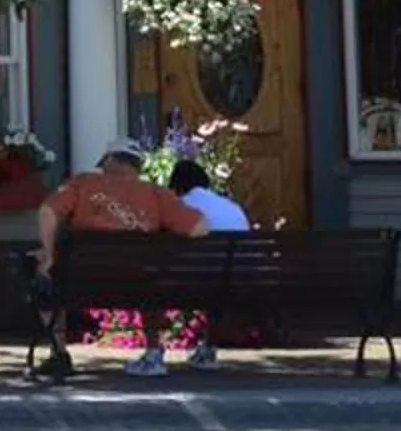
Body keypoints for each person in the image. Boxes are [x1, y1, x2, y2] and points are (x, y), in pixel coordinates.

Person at [28, 140, 206, 380]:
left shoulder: (82, 183)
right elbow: (200, 228)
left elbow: (47, 211)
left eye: (103, 163)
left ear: (110, 160)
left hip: (82, 282)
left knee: (46, 272)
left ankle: (58, 351)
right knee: (149, 277)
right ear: (137, 166)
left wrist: (48, 255)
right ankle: (153, 349)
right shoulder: (155, 193)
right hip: (141, 282)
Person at [163, 158, 246, 367]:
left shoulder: (180, 205)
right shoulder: (232, 207)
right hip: (239, 278)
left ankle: (153, 351)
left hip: (192, 279)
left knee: (153, 285)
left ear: (176, 184)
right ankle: (208, 347)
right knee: (218, 285)